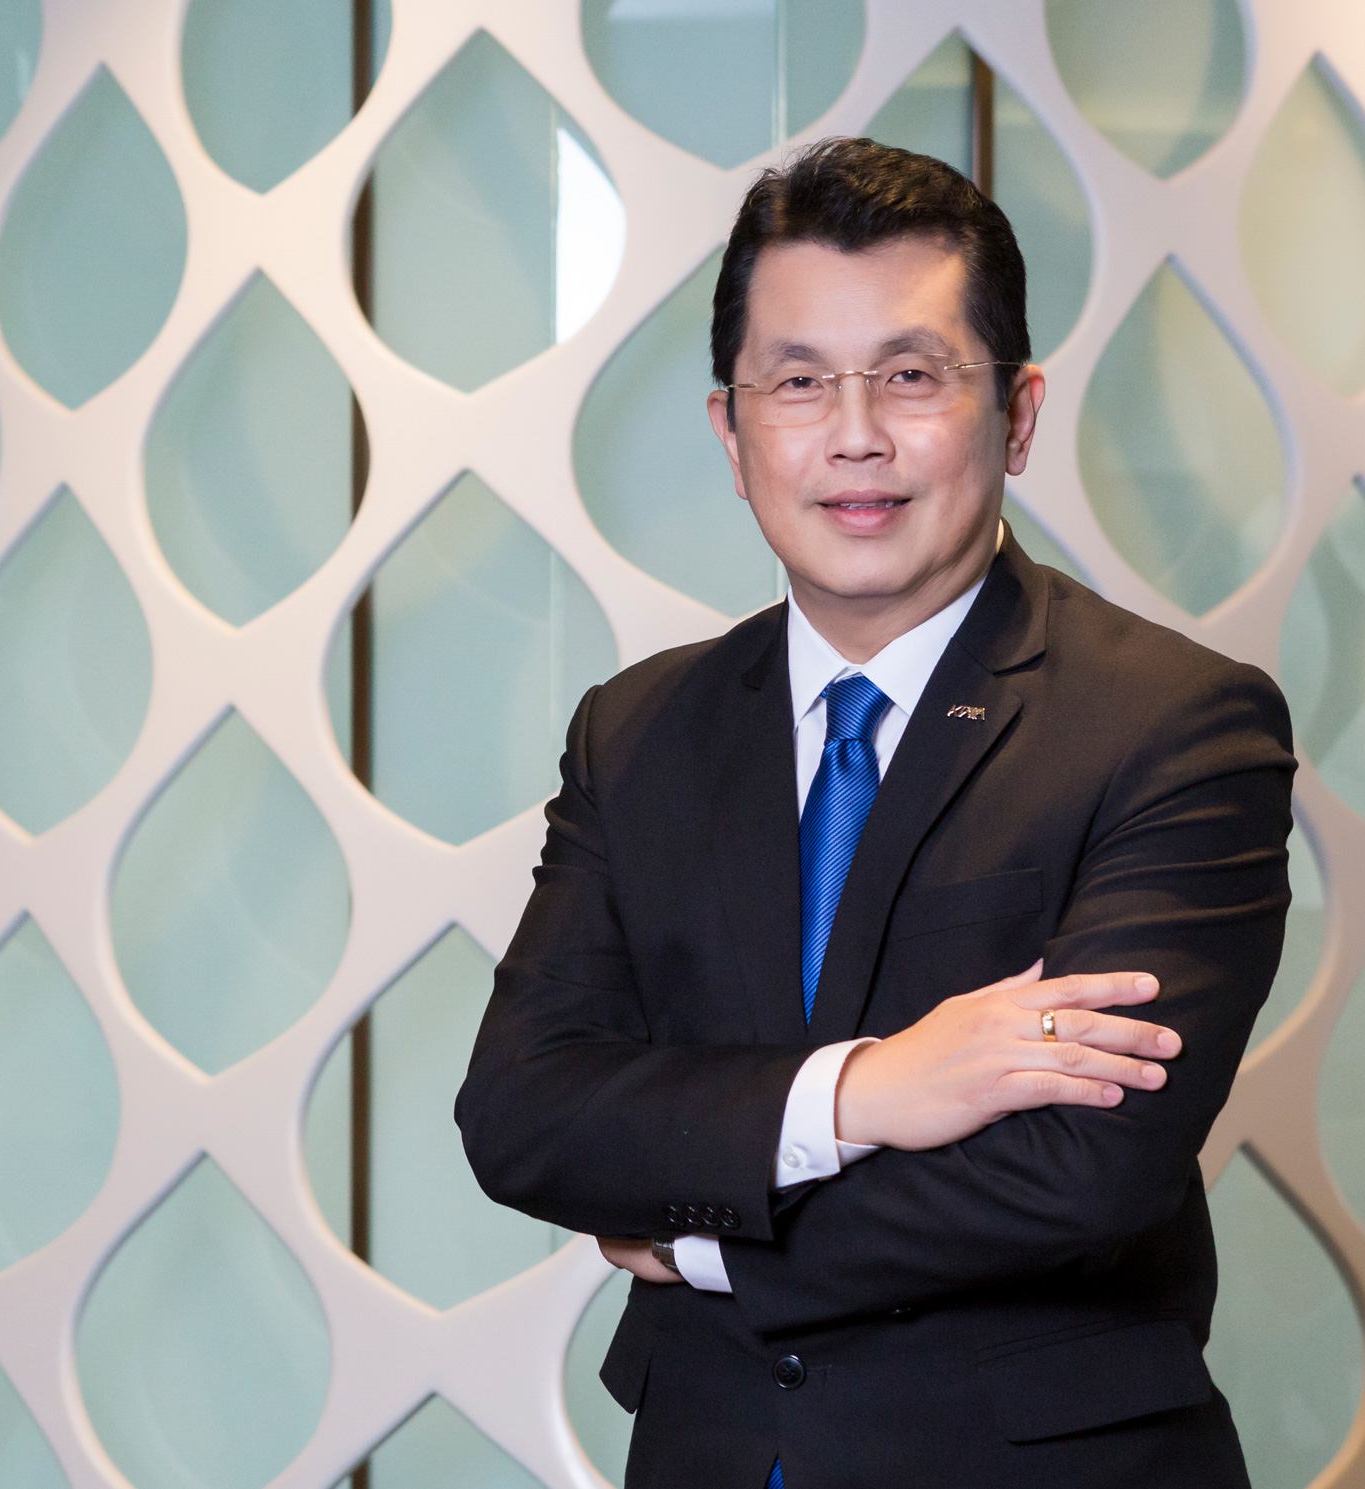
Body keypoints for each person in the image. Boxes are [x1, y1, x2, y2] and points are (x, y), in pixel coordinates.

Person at [456, 137, 1294, 1488]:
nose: (855, 435)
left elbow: (1082, 1166)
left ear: (1019, 413)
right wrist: (867, 1092)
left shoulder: (1174, 723)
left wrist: (704, 1234)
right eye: (798, 382)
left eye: (911, 375)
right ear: (732, 434)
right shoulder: (641, 732)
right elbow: (526, 1111)